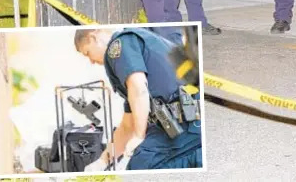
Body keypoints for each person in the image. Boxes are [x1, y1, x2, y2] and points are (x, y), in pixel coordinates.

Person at [75, 27, 203, 170]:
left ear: (93, 38)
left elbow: (139, 88)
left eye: (87, 53)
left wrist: (138, 135)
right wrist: (103, 161)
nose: (91, 61)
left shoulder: (118, 45)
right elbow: (127, 126)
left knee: (141, 166)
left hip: (186, 125)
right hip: (186, 122)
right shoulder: (139, 42)